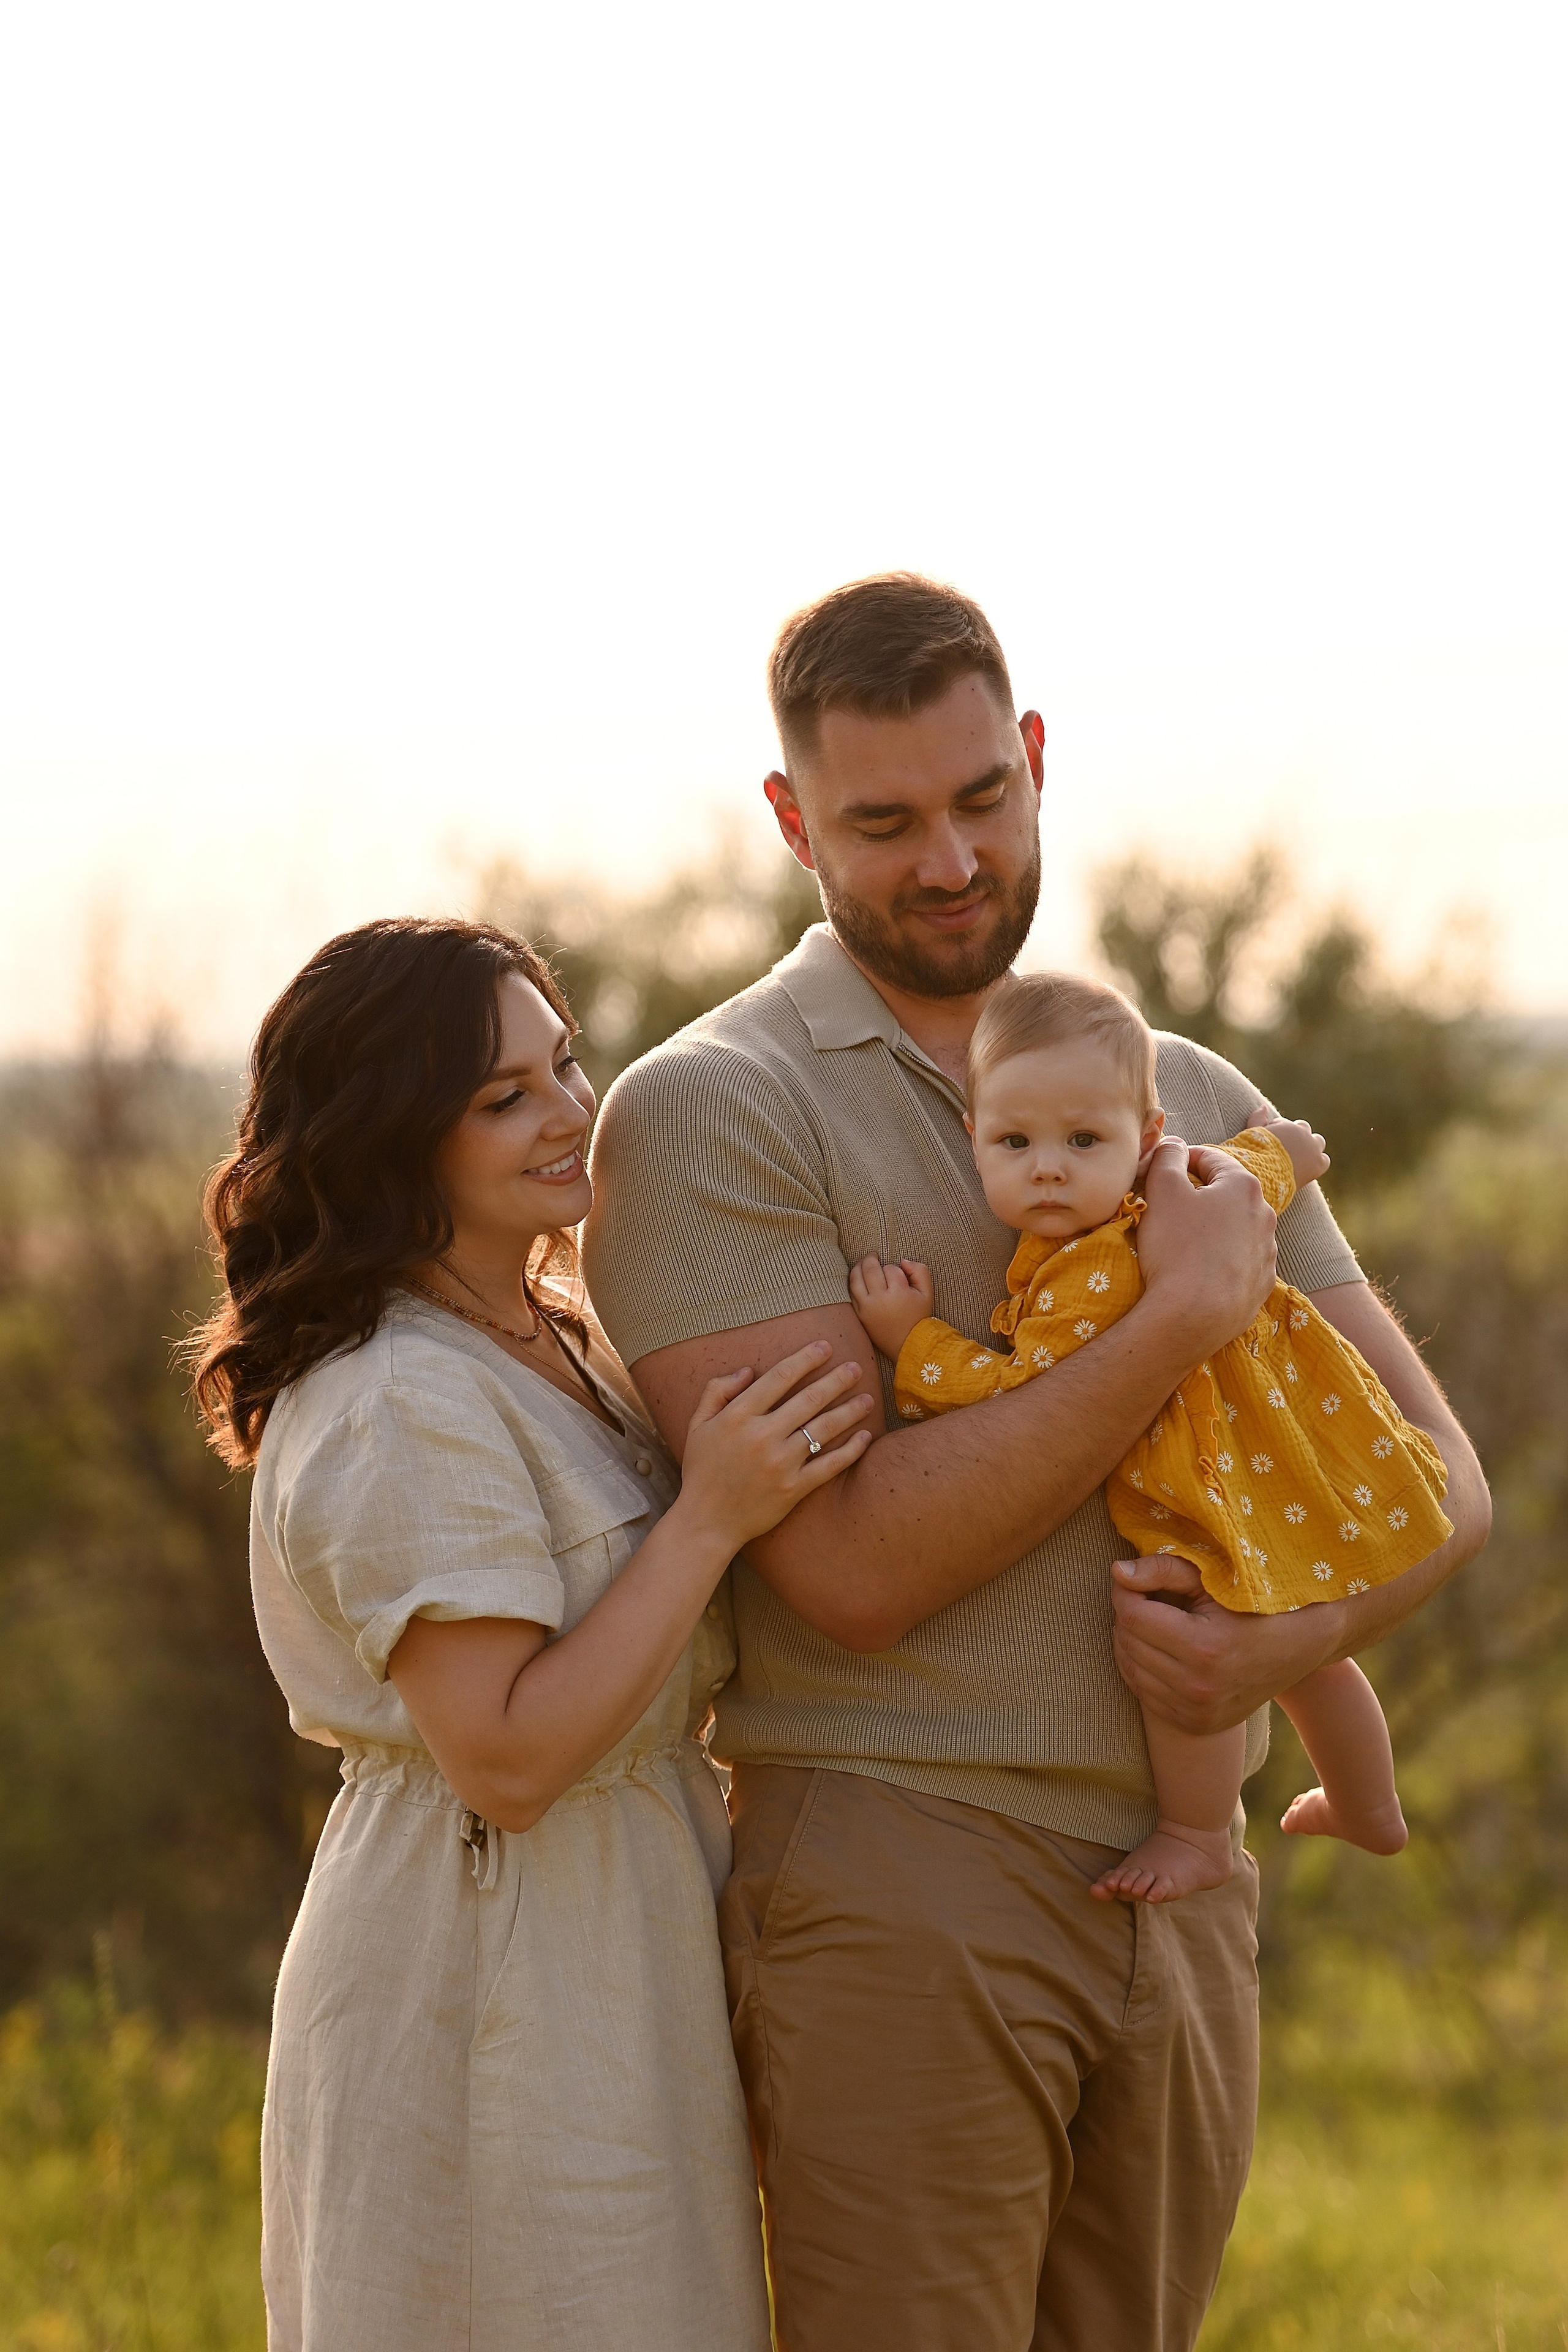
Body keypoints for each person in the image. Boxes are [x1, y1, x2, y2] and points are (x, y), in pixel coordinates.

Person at [581, 573, 1491, 2352]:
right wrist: (1168, 1324)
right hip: (903, 1871)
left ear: (1039, 758)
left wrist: (1272, 1653)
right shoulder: (715, 1113)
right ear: (791, 823)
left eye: (983, 798)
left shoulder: (1179, 1085)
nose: (948, 859)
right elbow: (845, 1569)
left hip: (1188, 1878)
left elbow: (1443, 1482)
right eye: (884, 821)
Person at [187, 916, 874, 2352]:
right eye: (503, 1097)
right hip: (485, 1952)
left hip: (621, 1923)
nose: (571, 1112)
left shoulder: (559, 1330)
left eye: (563, 1065)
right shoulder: (394, 1397)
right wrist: (711, 1516)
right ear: (393, 1137)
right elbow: (500, 1756)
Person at [849, 968, 1451, 1906]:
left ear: (1144, 1140)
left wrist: (910, 1342)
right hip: (1276, 1455)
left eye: (1083, 1141)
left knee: (1181, 1659)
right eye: (1015, 1142)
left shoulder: (1087, 1272)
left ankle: (1197, 1832)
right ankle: (1366, 1801)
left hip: (1197, 1479)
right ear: (975, 1137)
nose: (1047, 1166)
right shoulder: (1194, 1190)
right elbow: (1258, 1168)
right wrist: (1291, 1148)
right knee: (1310, 1653)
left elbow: (1016, 1392)